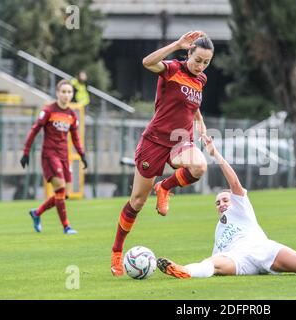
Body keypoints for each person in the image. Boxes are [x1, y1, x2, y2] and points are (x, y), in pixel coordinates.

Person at [156, 135, 296, 278]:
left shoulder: (241, 208)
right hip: (238, 259)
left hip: (261, 249)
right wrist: (207, 265)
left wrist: (215, 154)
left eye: (225, 199)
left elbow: (234, 183)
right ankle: (184, 271)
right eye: (218, 203)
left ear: (233, 200)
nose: (221, 204)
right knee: (213, 264)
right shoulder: (219, 230)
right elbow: (217, 256)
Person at [110, 30, 213, 276]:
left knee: (199, 166)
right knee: (137, 202)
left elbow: (192, 105)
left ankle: (164, 187)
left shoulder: (202, 80)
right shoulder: (172, 69)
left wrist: (201, 124)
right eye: (198, 60)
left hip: (181, 140)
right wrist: (176, 44)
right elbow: (147, 62)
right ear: (189, 53)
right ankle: (116, 251)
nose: (201, 66)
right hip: (155, 141)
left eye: (206, 62)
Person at [21, 79, 88, 235]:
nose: (66, 95)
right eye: (63, 92)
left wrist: (82, 154)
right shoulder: (49, 110)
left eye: (69, 92)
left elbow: (75, 137)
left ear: (72, 94)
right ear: (58, 93)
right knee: (61, 189)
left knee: (65, 194)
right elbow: (34, 130)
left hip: (65, 156)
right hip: (50, 155)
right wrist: (26, 152)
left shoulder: (72, 115)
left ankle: (37, 213)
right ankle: (66, 226)